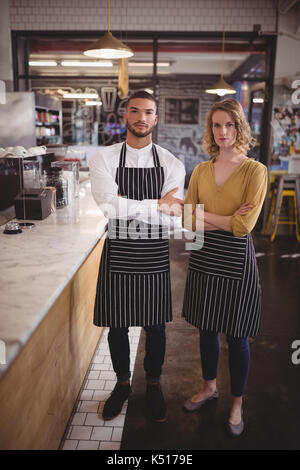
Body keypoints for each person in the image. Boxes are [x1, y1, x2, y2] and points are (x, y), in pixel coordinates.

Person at [89, 90, 185, 423]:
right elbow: (107, 206)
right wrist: (155, 204)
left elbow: (170, 216)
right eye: (134, 111)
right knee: (117, 327)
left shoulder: (173, 163)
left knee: (156, 327)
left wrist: (129, 206)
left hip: (155, 252)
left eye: (148, 112)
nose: (141, 117)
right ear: (125, 116)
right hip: (119, 252)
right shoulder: (103, 158)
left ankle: (154, 384)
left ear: (155, 119)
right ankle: (122, 383)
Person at [182, 98, 267, 436]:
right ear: (210, 129)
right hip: (204, 255)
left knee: (237, 335)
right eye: (216, 125)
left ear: (239, 127)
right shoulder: (202, 170)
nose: (222, 131)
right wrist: (224, 218)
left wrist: (205, 215)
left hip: (235, 258)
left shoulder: (254, 171)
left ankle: (236, 402)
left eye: (229, 125)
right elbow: (188, 220)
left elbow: (243, 227)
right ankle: (209, 387)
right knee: (206, 329)